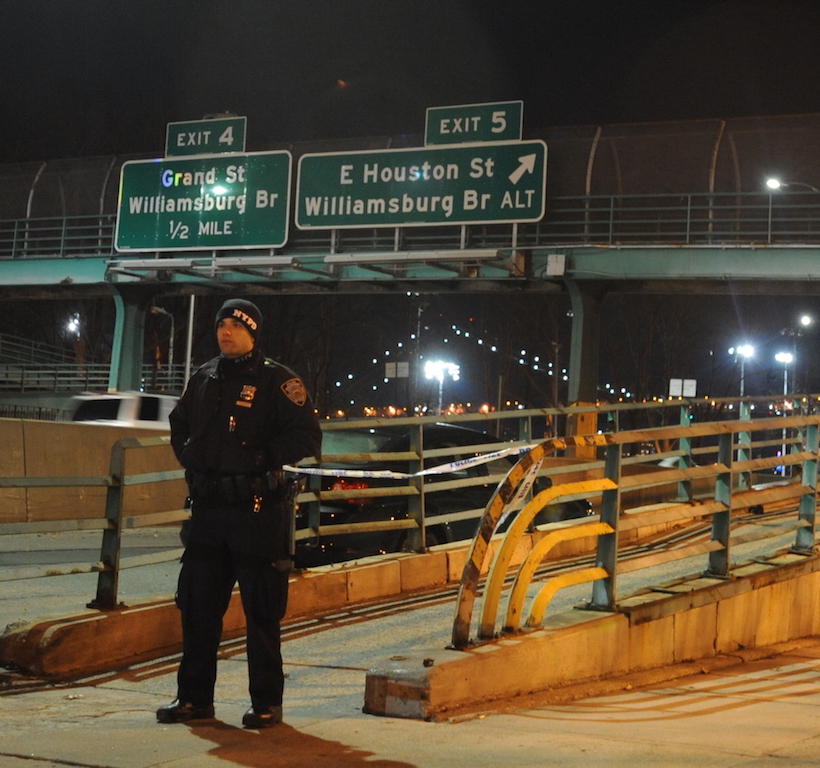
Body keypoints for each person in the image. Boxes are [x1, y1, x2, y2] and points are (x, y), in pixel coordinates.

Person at [157, 298, 322, 729]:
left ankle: (266, 703)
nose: (225, 332)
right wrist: (189, 456)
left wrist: (264, 457)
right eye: (221, 325)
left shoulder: (276, 381)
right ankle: (194, 699)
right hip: (209, 514)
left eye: (235, 325)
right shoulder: (205, 376)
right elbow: (179, 424)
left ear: (253, 332)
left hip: (256, 514)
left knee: (261, 612)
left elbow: (307, 435)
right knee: (197, 609)